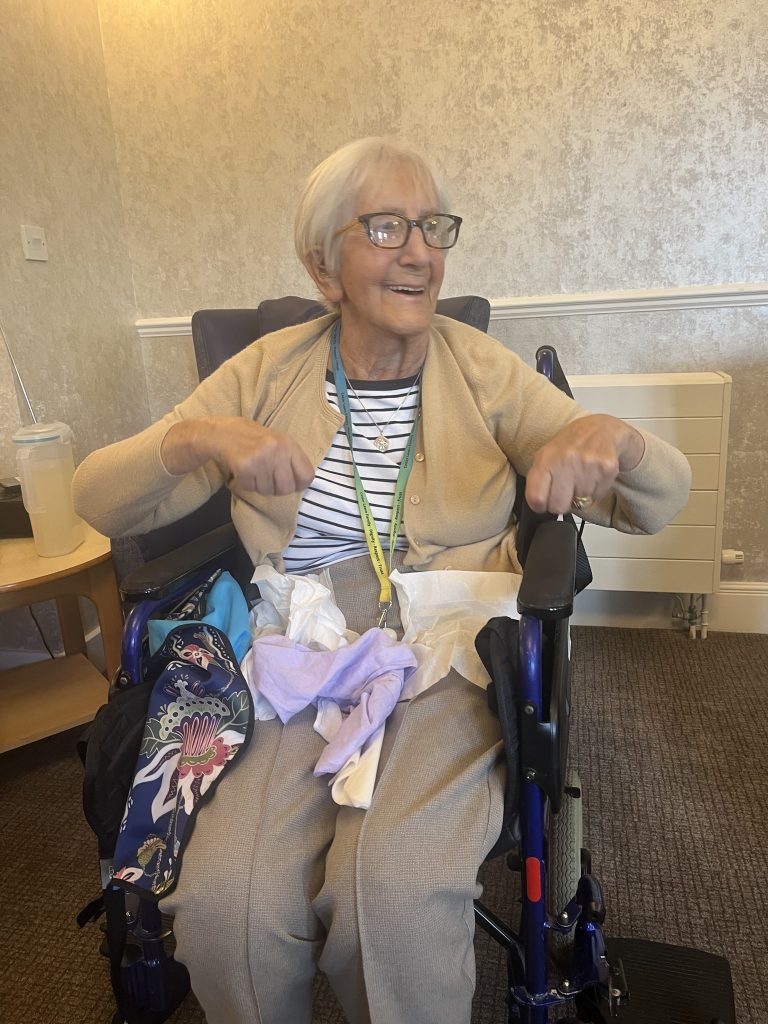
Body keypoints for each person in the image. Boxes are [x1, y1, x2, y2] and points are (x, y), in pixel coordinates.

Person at [73, 136, 691, 1024]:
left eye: (433, 227)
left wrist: (618, 441)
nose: (420, 252)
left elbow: (658, 498)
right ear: (323, 266)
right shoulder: (267, 371)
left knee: (389, 889)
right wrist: (194, 439)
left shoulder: (480, 371)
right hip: (300, 651)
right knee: (225, 900)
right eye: (387, 227)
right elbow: (99, 498)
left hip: (446, 651)